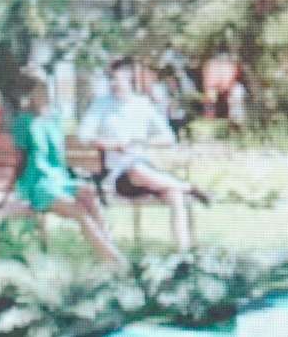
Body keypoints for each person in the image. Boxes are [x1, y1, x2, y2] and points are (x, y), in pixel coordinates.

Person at [75, 57, 213, 250]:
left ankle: (182, 252)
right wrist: (112, 145)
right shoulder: (101, 105)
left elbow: (168, 137)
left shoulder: (142, 104)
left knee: (174, 194)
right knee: (136, 170)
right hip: (118, 176)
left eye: (118, 79)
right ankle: (189, 187)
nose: (114, 83)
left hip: (146, 171)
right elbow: (84, 135)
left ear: (130, 81)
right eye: (111, 79)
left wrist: (142, 141)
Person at [11, 74, 125, 266]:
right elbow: (19, 159)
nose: (42, 95)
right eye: (37, 91)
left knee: (89, 195)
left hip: (60, 179)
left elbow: (59, 156)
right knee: (79, 211)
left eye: (44, 90)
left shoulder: (54, 119)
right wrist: (16, 188)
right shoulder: (23, 122)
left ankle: (107, 251)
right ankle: (115, 261)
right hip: (38, 183)